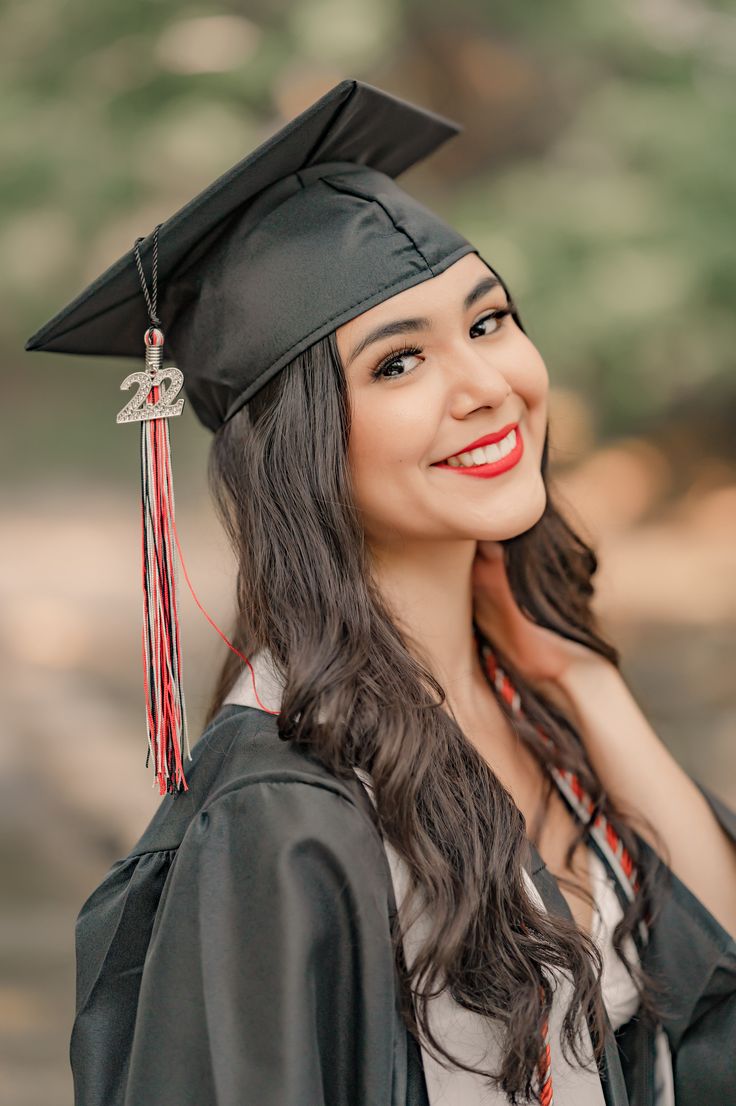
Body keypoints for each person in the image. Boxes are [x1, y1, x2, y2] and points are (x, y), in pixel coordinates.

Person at [26, 79, 736, 1106]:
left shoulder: (531, 699)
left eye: (487, 321)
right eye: (398, 361)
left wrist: (587, 683)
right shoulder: (282, 807)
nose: (482, 383)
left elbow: (712, 970)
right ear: (305, 442)